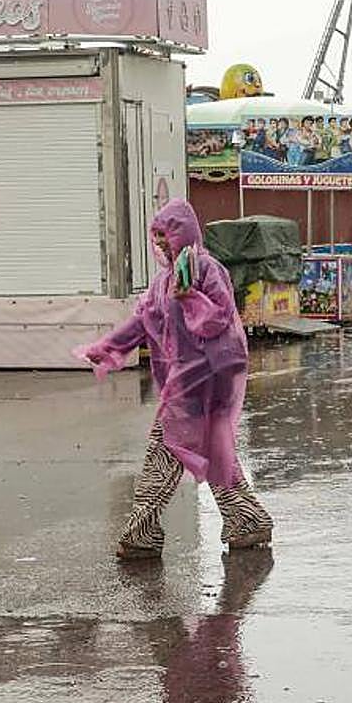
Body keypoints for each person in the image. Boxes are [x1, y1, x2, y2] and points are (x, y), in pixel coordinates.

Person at [75, 198, 274, 561]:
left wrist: (189, 298)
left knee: (162, 454)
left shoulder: (207, 270)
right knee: (215, 455)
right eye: (157, 236)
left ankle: (142, 534)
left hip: (206, 378)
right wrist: (106, 347)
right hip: (184, 379)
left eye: (166, 234)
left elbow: (219, 320)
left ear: (184, 233)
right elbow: (143, 322)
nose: (162, 243)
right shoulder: (162, 281)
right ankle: (248, 522)